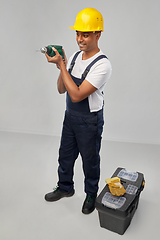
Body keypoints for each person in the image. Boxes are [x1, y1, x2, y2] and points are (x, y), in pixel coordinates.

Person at [44, 7, 112, 214]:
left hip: (89, 121)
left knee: (90, 161)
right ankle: (65, 188)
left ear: (98, 34)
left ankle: (91, 194)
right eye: (77, 33)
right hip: (70, 117)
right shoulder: (74, 57)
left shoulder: (103, 65)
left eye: (86, 34)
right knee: (65, 156)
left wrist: (62, 66)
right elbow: (61, 89)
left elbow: (77, 95)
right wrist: (63, 65)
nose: (80, 39)